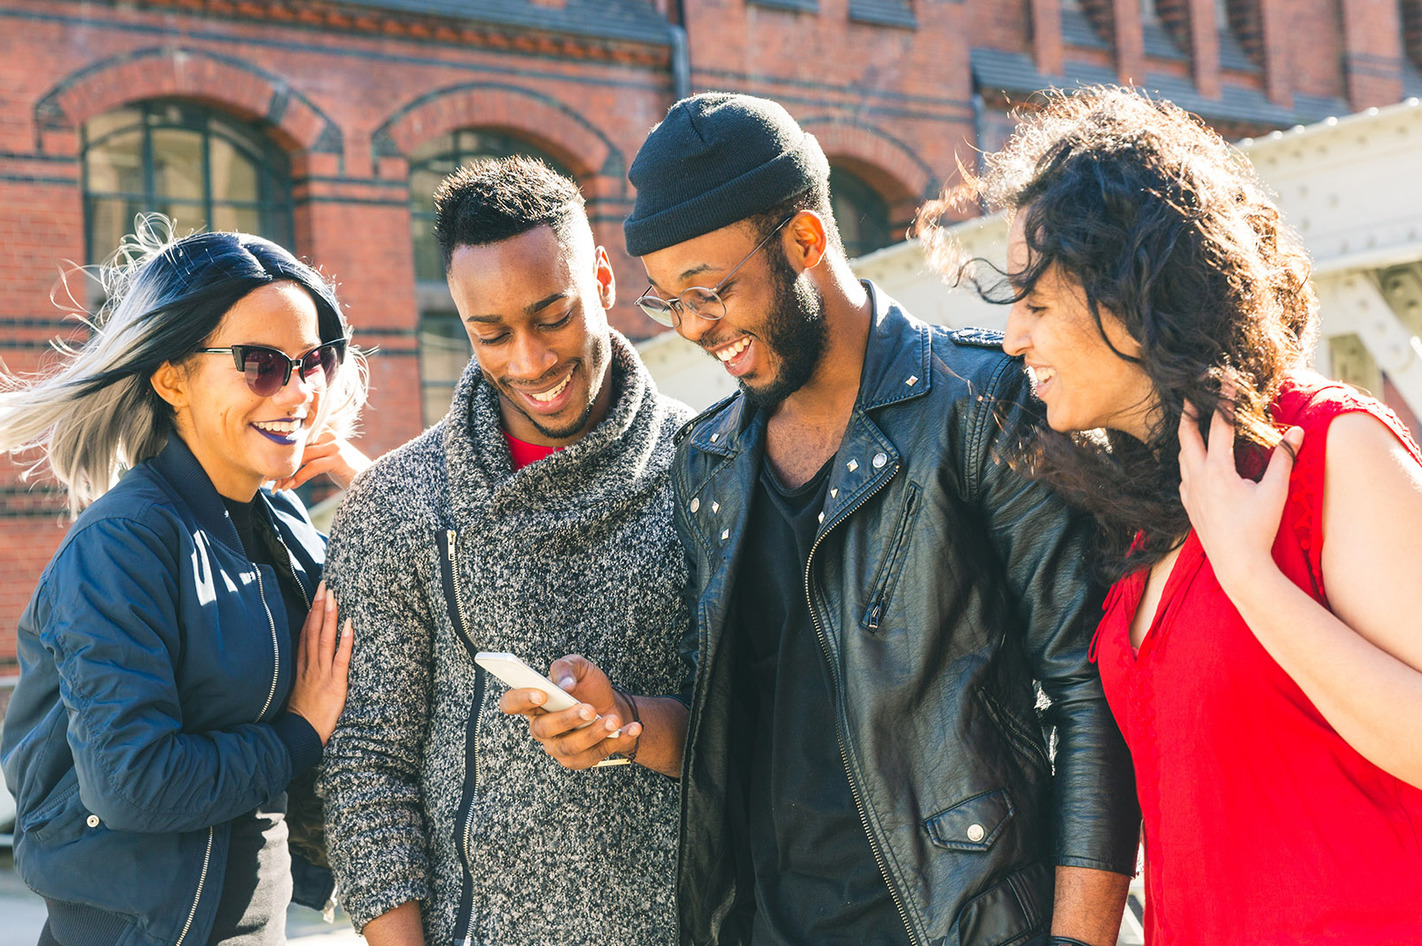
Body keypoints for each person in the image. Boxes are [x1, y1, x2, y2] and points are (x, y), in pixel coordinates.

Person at [510, 92, 1139, 946]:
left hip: (959, 924)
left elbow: (1092, 698)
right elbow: (746, 716)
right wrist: (624, 723)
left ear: (805, 241)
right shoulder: (709, 461)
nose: (696, 328)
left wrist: (1078, 940)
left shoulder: (979, 409)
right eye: (668, 303)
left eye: (710, 291)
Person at [923, 85, 1422, 942]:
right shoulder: (1152, 514)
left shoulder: (1329, 448)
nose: (1011, 340)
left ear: (1133, 291)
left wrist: (1251, 578)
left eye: (1037, 304)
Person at [316, 156, 692, 946]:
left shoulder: (708, 466)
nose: (530, 360)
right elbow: (365, 767)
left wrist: (630, 724)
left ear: (602, 279)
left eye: (553, 316)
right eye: (491, 333)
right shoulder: (397, 503)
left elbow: (768, 725)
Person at [0, 221, 366, 946]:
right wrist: (298, 734)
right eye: (262, 364)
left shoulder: (281, 524)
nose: (297, 391)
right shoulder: (123, 545)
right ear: (172, 377)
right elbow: (134, 781)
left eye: (313, 361)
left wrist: (370, 484)